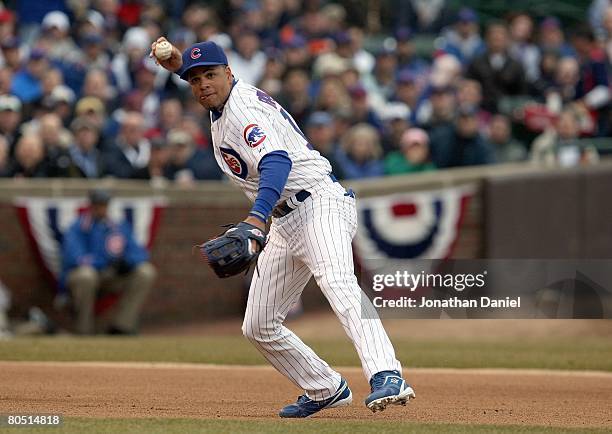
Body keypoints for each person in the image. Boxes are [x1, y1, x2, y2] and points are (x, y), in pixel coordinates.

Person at [151, 37, 415, 417]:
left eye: (210, 75)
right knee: (258, 325)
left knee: (337, 281)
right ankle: (325, 387)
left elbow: (276, 162)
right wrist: (180, 65)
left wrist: (256, 218)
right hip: (285, 219)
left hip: (318, 202)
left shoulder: (242, 111)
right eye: (194, 80)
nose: (202, 84)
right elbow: (205, 83)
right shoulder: (223, 99)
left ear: (229, 72)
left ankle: (387, 374)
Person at [61, 189, 156, 335]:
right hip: (85, 277)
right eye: (98, 205)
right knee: (86, 275)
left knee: (145, 272)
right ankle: (83, 330)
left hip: (111, 277)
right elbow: (75, 258)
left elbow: (140, 253)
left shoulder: (117, 226)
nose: (102, 209)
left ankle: (122, 326)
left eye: (104, 205)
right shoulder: (77, 227)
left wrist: (126, 262)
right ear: (91, 206)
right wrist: (104, 262)